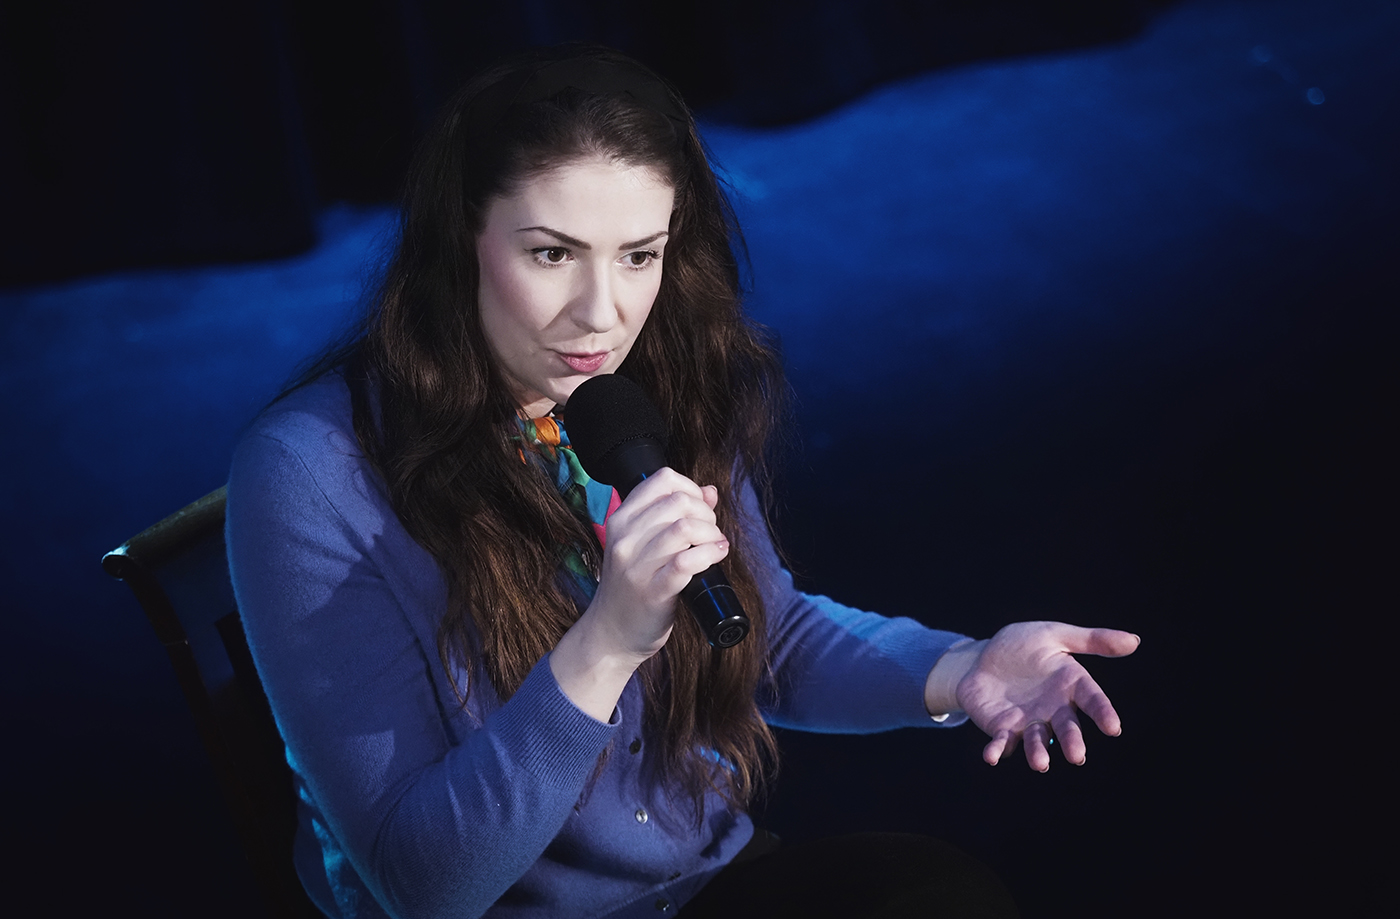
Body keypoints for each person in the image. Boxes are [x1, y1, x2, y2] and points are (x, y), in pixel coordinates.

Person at [226, 45, 1139, 919]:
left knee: (938, 894)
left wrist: (960, 666)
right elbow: (422, 891)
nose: (603, 314)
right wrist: (607, 642)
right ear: (461, 237)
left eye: (639, 255)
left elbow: (766, 636)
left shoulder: (644, 386)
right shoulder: (309, 474)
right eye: (551, 253)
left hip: (701, 884)